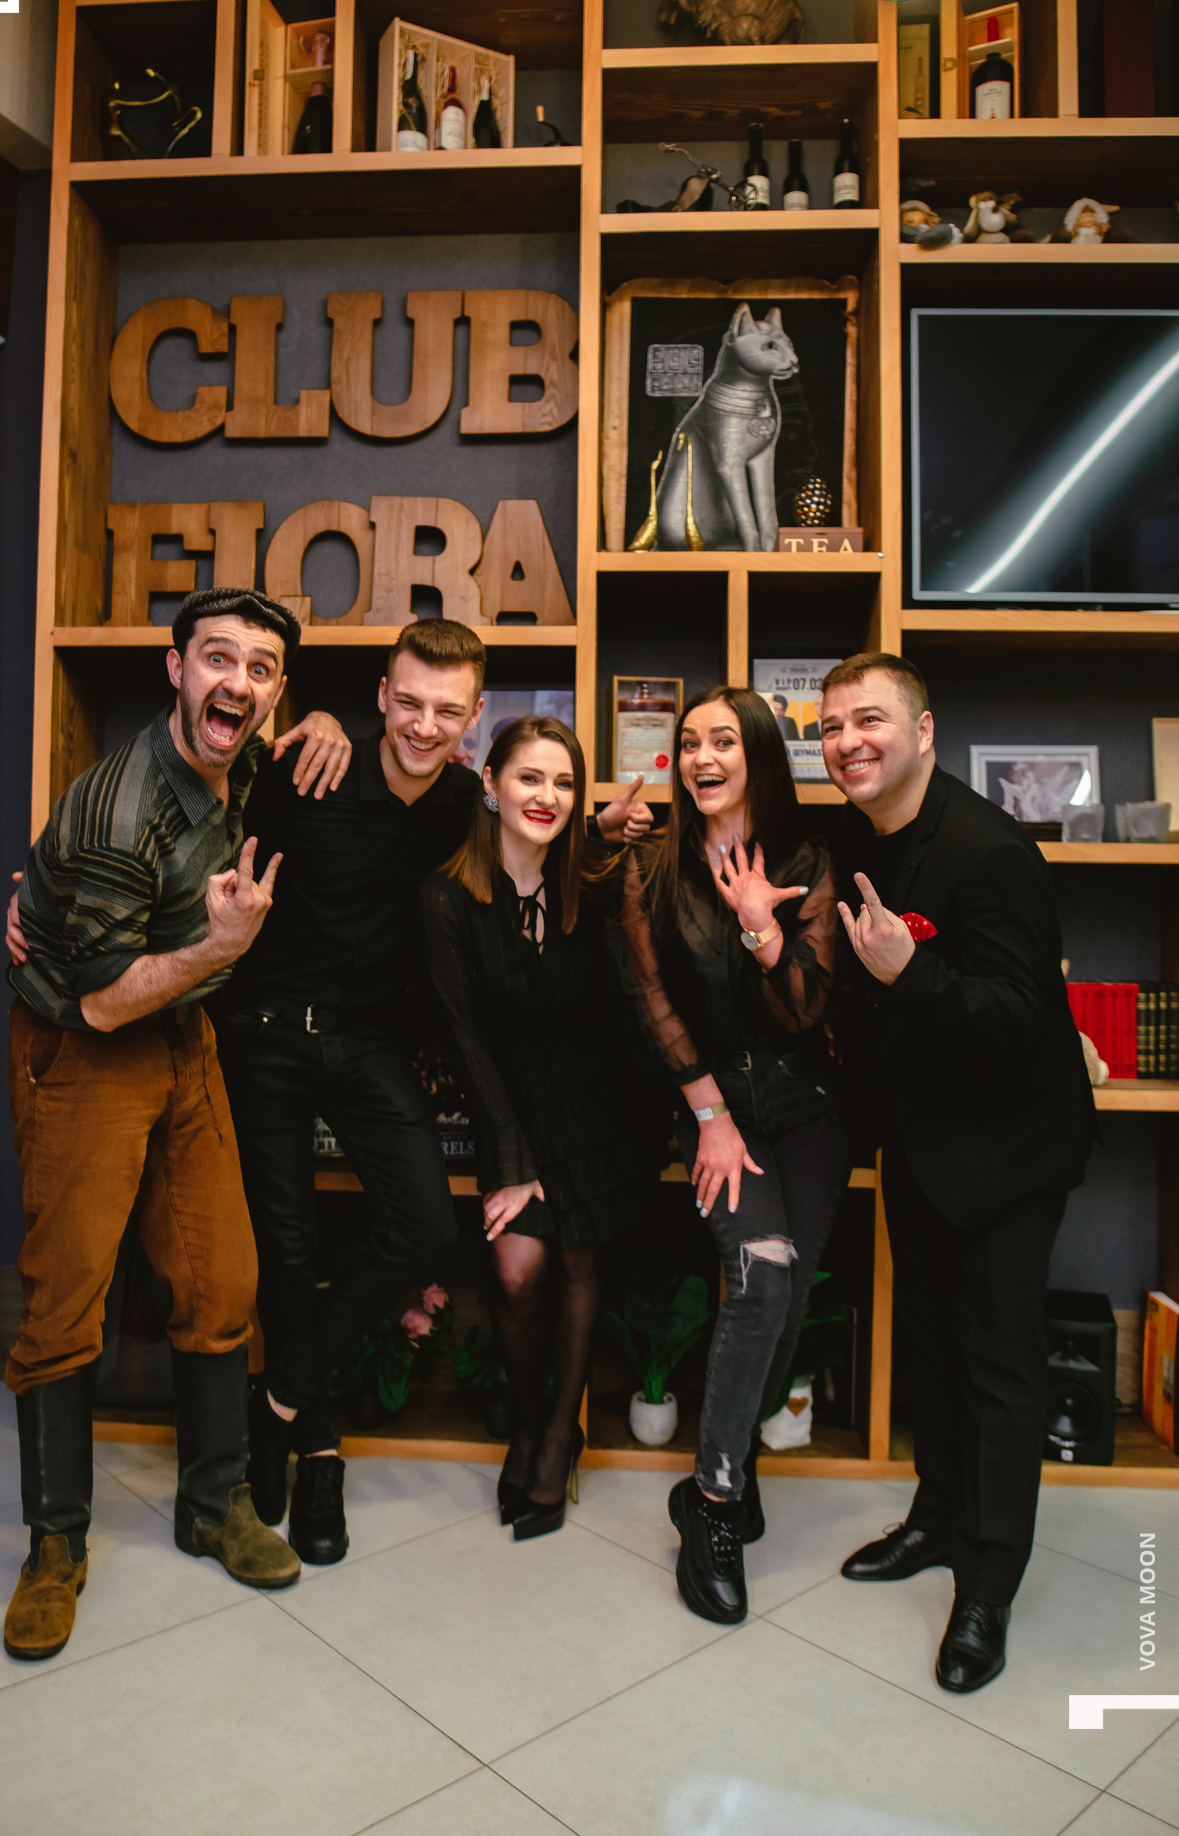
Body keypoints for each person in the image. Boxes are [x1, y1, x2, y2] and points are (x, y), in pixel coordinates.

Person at [213, 621, 652, 1565]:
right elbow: (210, 836)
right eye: (407, 703)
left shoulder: (466, 803)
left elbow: (539, 835)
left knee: (423, 1231)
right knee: (285, 1252)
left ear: (474, 717)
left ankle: (277, 1396)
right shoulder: (309, 771)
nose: (423, 726)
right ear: (380, 695)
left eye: (447, 712)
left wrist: (600, 829)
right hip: (267, 1035)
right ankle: (317, 1455)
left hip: (371, 1043)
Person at [0, 588, 311, 1663]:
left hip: (181, 1038)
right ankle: (53, 1547)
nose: (238, 682)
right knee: (64, 1302)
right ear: (175, 669)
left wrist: (318, 722)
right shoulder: (119, 812)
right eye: (217, 658)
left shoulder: (241, 753)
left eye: (260, 669)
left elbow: (284, 731)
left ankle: (213, 1507)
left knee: (223, 1280)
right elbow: (98, 1003)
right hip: (88, 1046)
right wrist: (220, 949)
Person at [819, 651, 1095, 1695]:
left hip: (1011, 1151)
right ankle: (937, 1520)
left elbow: (1024, 1019)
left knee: (997, 1371)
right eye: (831, 725)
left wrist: (912, 973)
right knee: (931, 1352)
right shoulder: (855, 835)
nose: (847, 741)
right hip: (921, 1143)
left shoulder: (990, 852)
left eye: (869, 720)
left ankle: (987, 1585)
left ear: (924, 731)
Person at [618, 686, 850, 1625]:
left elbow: (806, 1008)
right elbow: (650, 1002)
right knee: (762, 1276)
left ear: (757, 753)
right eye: (688, 743)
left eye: (722, 740)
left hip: (807, 1104)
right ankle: (713, 1506)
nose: (701, 757)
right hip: (711, 1102)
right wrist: (710, 1113)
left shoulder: (807, 862)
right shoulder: (651, 865)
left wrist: (761, 924)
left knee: (789, 1297)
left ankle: (731, 1465)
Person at [419, 717, 660, 1539]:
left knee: (582, 1259)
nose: (547, 797)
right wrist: (514, 1154)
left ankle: (561, 1435)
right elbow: (463, 1036)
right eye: (529, 778)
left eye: (564, 783)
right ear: (489, 784)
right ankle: (525, 1424)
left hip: (596, 1099)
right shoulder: (444, 898)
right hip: (507, 1103)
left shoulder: (587, 878)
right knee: (518, 1271)